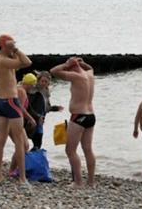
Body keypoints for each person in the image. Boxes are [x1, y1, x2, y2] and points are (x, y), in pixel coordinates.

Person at [0, 34, 32, 183]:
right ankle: (22, 177)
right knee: (20, 140)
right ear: (4, 46)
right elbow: (28, 62)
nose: (13, 47)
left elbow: (20, 63)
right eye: (11, 45)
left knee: (1, 139)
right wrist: (16, 49)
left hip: (0, 101)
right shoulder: (4, 60)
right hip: (10, 101)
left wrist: (12, 50)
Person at [50, 57, 96, 188]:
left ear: (71, 68)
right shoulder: (89, 74)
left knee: (70, 150)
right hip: (91, 115)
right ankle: (91, 182)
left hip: (79, 116)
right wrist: (82, 63)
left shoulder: (76, 77)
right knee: (88, 149)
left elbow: (53, 71)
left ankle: (78, 182)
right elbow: (90, 67)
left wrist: (66, 64)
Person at [8, 73, 37, 177]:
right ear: (29, 83)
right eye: (33, 85)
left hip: (12, 120)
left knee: (24, 146)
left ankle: (13, 169)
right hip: (14, 121)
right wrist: (31, 118)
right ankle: (12, 170)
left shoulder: (18, 88)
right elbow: (20, 107)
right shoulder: (22, 91)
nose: (33, 87)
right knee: (22, 146)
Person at [26, 71, 64, 150]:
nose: (43, 83)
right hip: (31, 120)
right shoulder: (34, 92)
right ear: (38, 81)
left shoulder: (46, 92)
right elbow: (28, 107)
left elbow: (46, 108)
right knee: (31, 143)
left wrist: (56, 108)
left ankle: (32, 159)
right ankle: (25, 159)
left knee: (38, 144)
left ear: (48, 83)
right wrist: (37, 117)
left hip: (40, 121)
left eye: (46, 81)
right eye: (42, 81)